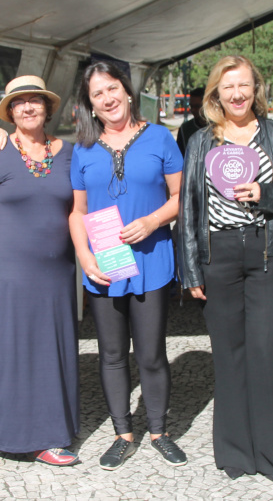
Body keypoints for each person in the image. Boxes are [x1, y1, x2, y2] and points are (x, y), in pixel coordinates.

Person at [177, 55, 273, 482]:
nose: (237, 95)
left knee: (266, 351)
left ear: (257, 89)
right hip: (218, 253)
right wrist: (192, 270)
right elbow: (188, 208)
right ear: (216, 92)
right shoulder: (202, 141)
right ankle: (235, 454)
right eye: (227, 87)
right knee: (229, 354)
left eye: (245, 86)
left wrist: (266, 192)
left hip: (268, 253)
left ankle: (270, 457)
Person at [69, 61, 185, 470]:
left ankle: (159, 431)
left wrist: (153, 221)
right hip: (104, 265)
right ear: (90, 104)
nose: (108, 98)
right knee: (112, 354)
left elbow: (180, 195)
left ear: (128, 91)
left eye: (113, 88)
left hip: (151, 260)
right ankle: (123, 433)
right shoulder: (82, 149)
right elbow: (77, 211)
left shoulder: (159, 138)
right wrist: (84, 257)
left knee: (152, 354)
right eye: (98, 94)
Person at [0, 76, 80, 466]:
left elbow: (84, 205)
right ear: (9, 112)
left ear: (48, 108)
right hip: (9, 270)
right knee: (11, 349)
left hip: (56, 271)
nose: (27, 108)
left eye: (34, 100)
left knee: (51, 350)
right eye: (18, 103)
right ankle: (11, 434)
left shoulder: (68, 152)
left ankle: (53, 431)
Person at [176, 87, 206, 156]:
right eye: (191, 106)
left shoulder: (219, 127)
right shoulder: (185, 129)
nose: (193, 110)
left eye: (197, 106)